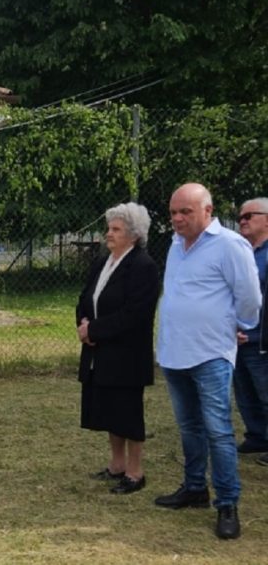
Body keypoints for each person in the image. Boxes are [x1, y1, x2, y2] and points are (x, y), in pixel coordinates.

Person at [155, 182, 261, 540]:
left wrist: (239, 326)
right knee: (189, 427)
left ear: (208, 211)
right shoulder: (174, 245)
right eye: (173, 212)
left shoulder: (230, 245)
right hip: (174, 351)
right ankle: (195, 487)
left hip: (210, 352)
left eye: (185, 211)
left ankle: (228, 502)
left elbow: (249, 296)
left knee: (218, 429)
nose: (177, 219)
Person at [76, 203, 159, 495]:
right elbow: (85, 298)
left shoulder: (143, 266)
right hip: (100, 353)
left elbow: (135, 314)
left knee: (128, 413)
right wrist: (83, 325)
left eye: (115, 229)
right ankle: (117, 464)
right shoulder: (104, 262)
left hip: (127, 355)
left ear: (133, 235)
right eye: (108, 228)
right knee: (110, 410)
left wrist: (94, 330)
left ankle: (136, 472)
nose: (108, 234)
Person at [233, 198, 268, 459]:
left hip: (261, 338)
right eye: (240, 217)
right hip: (237, 337)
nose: (242, 221)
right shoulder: (241, 251)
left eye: (249, 216)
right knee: (245, 392)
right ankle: (256, 436)